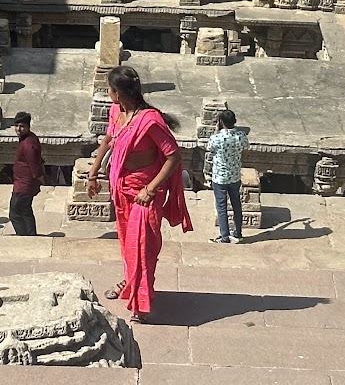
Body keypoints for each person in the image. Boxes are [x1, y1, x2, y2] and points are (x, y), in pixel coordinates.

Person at [86, 66, 191, 322]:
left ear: (118, 93)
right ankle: (130, 282)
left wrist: (150, 189)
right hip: (121, 188)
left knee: (143, 246)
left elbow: (173, 156)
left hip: (144, 193)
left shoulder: (150, 121)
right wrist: (93, 172)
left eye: (109, 89)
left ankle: (140, 303)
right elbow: (108, 140)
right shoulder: (116, 112)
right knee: (127, 244)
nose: (107, 93)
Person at [206, 108, 249, 244]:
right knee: (236, 204)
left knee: (221, 206)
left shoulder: (216, 138)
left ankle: (224, 236)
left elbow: (210, 149)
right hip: (235, 175)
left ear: (221, 122)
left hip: (219, 177)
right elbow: (246, 151)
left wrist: (216, 130)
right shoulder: (241, 136)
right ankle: (238, 233)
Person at [9, 111, 44, 237]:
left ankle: (25, 237)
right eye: (17, 125)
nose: (18, 129)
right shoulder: (28, 139)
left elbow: (35, 166)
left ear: (28, 126)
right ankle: (30, 235)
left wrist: (41, 180)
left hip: (24, 185)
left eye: (22, 126)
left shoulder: (28, 144)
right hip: (22, 182)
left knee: (15, 213)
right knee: (25, 211)